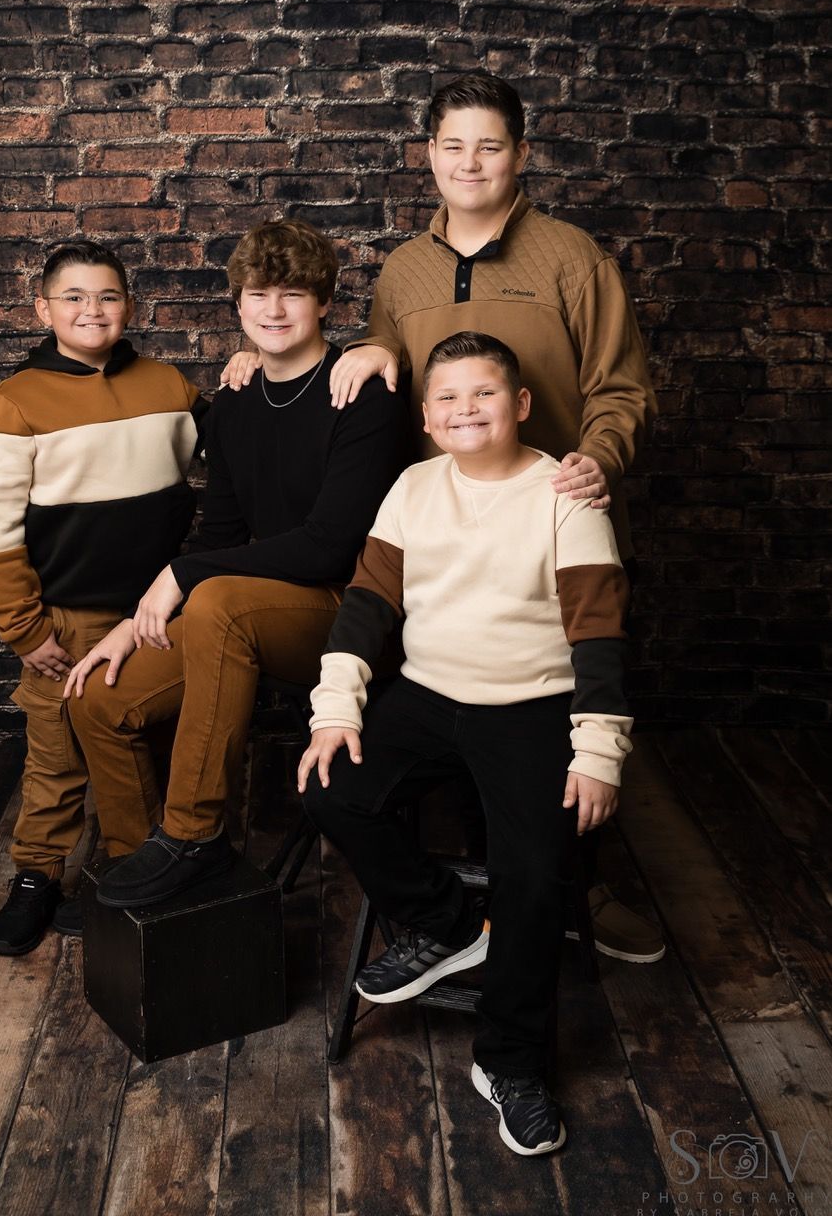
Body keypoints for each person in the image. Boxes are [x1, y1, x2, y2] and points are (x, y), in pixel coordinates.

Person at [224, 70, 662, 963]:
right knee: (447, 725)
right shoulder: (406, 268)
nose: (471, 162)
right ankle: (469, 917)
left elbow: (621, 386)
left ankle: (580, 887)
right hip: (441, 534)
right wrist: (280, 356)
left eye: (491, 145)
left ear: (521, 156)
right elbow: (385, 368)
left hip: (552, 518)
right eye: (453, 145)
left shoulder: (573, 257)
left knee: (555, 732)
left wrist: (597, 460)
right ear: (429, 157)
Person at [297, 332, 634, 1156]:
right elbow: (367, 606)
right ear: (426, 417)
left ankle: (510, 1062)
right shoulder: (413, 487)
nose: (465, 410)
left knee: (535, 873)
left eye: (483, 394)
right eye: (447, 398)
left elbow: (597, 635)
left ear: (519, 404)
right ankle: (448, 924)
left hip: (532, 704)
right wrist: (336, 708)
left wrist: (597, 752)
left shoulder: (565, 492)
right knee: (327, 787)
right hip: (426, 693)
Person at [63, 220, 410, 908]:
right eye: (258, 295)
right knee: (102, 697)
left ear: (325, 303)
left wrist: (183, 578)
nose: (274, 310)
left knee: (219, 600)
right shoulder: (236, 401)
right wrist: (136, 623)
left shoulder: (364, 395)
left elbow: (331, 546)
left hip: (349, 611)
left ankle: (194, 838)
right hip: (249, 617)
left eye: (293, 294)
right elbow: (219, 532)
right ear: (238, 304)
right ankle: (141, 880)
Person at [0, 241, 205, 956]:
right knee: (56, 755)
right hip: (67, 617)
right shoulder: (13, 403)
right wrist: (23, 627)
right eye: (73, 297)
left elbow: (235, 464)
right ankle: (38, 875)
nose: (91, 310)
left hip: (156, 611)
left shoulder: (170, 386)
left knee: (150, 742)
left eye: (106, 296)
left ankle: (135, 865)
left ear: (129, 306)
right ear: (43, 309)